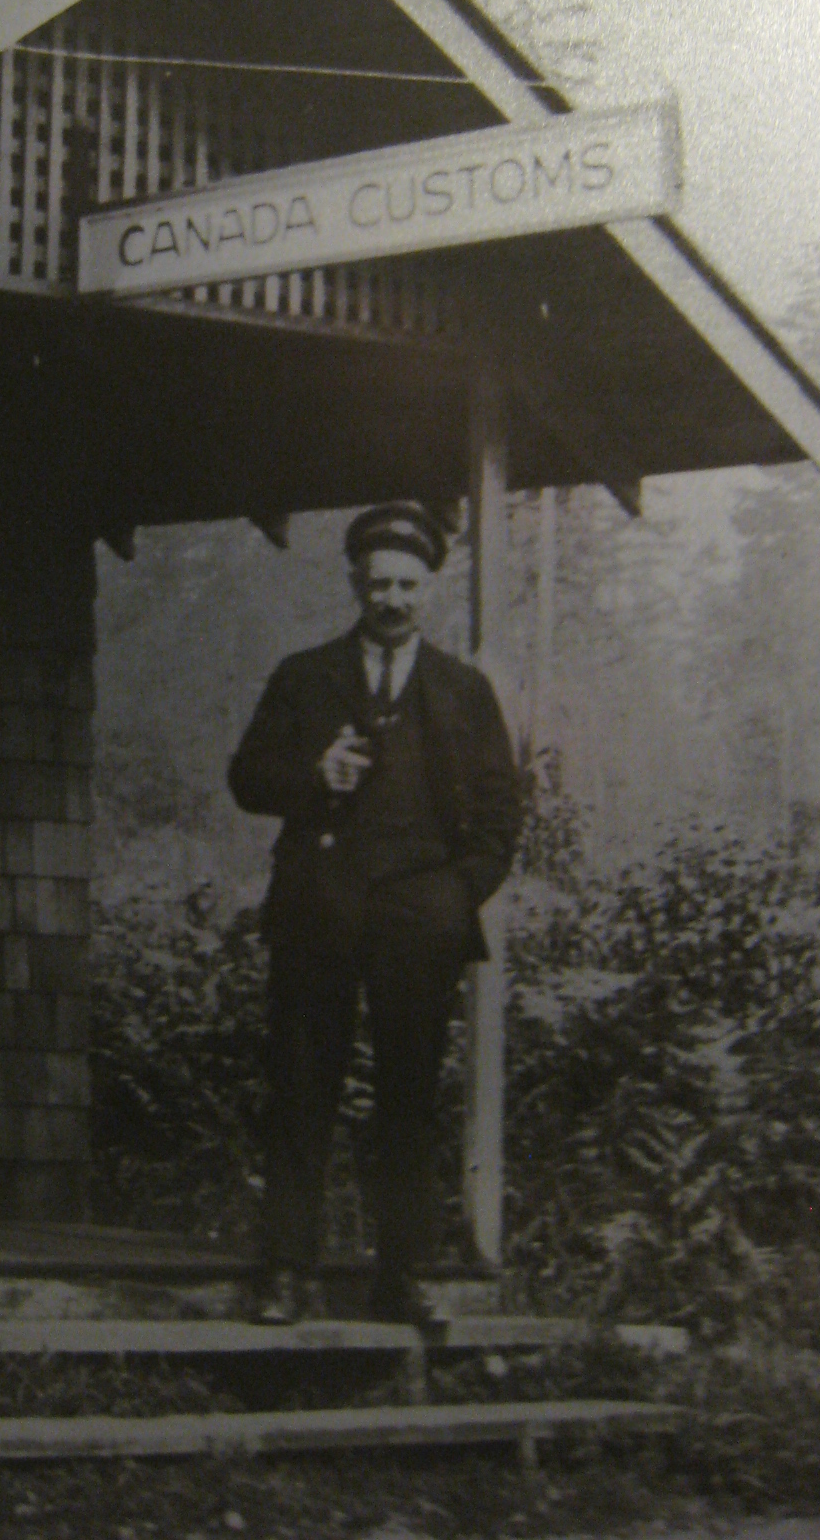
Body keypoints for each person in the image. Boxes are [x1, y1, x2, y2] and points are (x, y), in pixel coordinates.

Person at [227, 500, 522, 1324]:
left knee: (409, 1098)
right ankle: (287, 1270)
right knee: (300, 1088)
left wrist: (457, 896)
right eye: (378, 583)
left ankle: (404, 1276)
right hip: (319, 909)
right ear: (355, 582)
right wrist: (311, 773)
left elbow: (502, 816)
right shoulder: (304, 676)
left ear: (432, 587)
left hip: (419, 923)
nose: (391, 599)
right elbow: (247, 778)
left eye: (407, 585)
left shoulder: (464, 692)